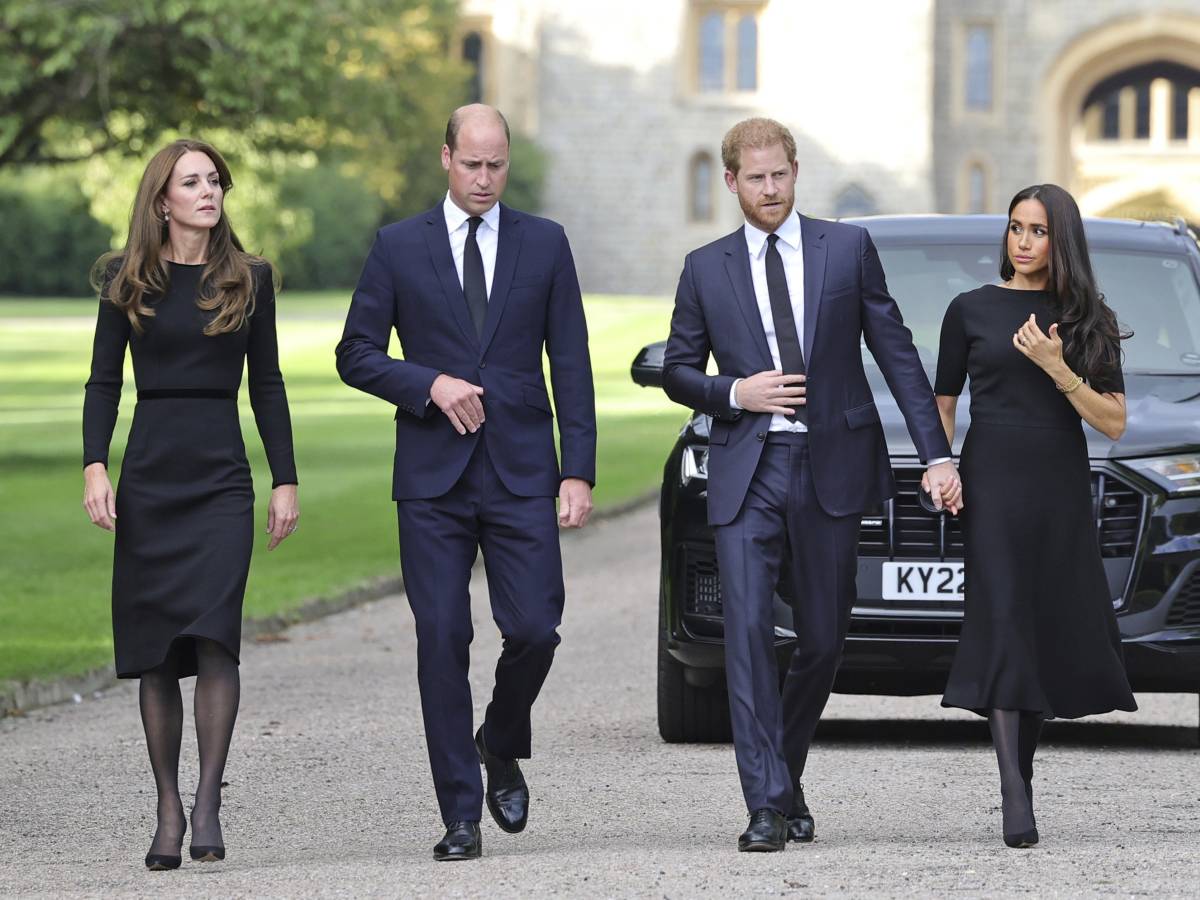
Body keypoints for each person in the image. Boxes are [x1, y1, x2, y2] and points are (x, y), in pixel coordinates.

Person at [662, 117, 960, 852]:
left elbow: (896, 354)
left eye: (781, 176)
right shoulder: (705, 267)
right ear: (730, 181)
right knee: (749, 636)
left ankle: (783, 773)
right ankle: (765, 804)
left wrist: (937, 455)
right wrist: (737, 392)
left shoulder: (846, 248)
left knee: (825, 639)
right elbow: (675, 371)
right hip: (747, 471)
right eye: (756, 179)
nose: (771, 191)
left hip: (829, 467)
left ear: (796, 172)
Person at [335, 104, 596, 861]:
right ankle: (459, 814)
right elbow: (356, 353)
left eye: (497, 166)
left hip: (520, 471)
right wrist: (428, 385)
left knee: (536, 628)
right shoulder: (396, 247)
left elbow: (571, 365)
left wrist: (576, 469)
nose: (485, 179)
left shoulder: (544, 244)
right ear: (445, 157)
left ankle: (500, 736)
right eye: (472, 164)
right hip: (432, 478)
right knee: (442, 636)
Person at [82, 139, 299, 871]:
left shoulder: (250, 279)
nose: (208, 192)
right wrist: (94, 468)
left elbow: (266, 385)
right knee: (156, 652)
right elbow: (103, 384)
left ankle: (206, 801)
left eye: (215, 181)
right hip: (150, 475)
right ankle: (167, 807)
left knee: (214, 636)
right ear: (162, 199)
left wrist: (286, 479)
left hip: (220, 481)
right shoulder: (125, 279)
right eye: (192, 182)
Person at [932, 183, 1136, 848]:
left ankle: (1020, 776)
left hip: (1058, 484)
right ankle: (1014, 794)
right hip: (990, 481)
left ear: (1061, 241)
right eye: (1016, 228)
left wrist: (1058, 368)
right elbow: (943, 400)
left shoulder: (1086, 320)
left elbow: (1113, 423)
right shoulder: (969, 311)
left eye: (1038, 231)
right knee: (1002, 617)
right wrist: (946, 466)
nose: (1023, 242)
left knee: (1040, 624)